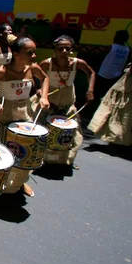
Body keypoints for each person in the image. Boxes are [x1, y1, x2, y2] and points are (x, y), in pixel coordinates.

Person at [0, 37, 50, 197]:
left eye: (35, 52)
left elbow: (45, 78)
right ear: (16, 54)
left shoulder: (33, 68)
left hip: (24, 113)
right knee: (1, 150)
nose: (34, 56)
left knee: (23, 151)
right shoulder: (1, 71)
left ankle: (19, 183)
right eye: (29, 53)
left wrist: (44, 96)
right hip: (4, 114)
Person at [36, 35, 95, 169]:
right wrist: (39, 89)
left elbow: (91, 73)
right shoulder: (47, 63)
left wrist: (90, 90)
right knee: (43, 131)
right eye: (60, 49)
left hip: (67, 103)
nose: (64, 51)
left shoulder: (77, 63)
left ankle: (66, 160)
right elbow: (35, 74)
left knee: (71, 134)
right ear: (54, 51)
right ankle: (40, 158)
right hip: (49, 102)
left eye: (67, 49)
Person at [88, 64, 131, 146]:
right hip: (127, 86)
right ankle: (117, 141)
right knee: (121, 114)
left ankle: (118, 141)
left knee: (123, 115)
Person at [95, 30, 130, 102]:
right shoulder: (128, 50)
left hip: (103, 74)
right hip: (116, 76)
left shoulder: (111, 47)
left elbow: (99, 58)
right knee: (109, 96)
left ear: (117, 37)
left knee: (97, 94)